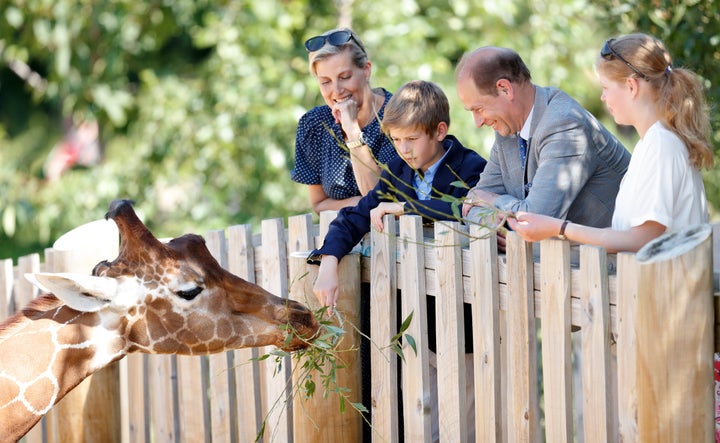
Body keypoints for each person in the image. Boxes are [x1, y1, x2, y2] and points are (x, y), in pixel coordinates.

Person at [307, 80, 487, 442]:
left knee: (465, 423)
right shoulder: (398, 173)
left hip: (466, 321)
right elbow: (353, 217)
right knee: (423, 422)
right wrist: (328, 263)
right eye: (396, 140)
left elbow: (465, 209)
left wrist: (404, 208)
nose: (403, 150)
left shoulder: (470, 166)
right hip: (416, 321)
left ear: (439, 130)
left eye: (411, 140)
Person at [507, 34, 714, 252]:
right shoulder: (650, 143)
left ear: (631, 86)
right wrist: (558, 231)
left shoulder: (661, 144)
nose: (602, 98)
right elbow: (626, 235)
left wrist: (559, 228)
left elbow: (641, 240)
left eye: (605, 88)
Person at [455, 46, 632, 249]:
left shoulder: (565, 125)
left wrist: (493, 201)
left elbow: (536, 218)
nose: (477, 122)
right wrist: (494, 225)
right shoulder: (507, 129)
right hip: (554, 267)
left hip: (608, 269)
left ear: (505, 89)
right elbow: (473, 206)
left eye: (478, 109)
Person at [292, 28, 398, 214]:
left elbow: (382, 200)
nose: (337, 90)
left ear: (366, 70)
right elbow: (319, 205)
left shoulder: (399, 116)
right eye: (325, 82)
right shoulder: (313, 124)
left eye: (345, 77)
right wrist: (360, 203)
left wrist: (352, 131)